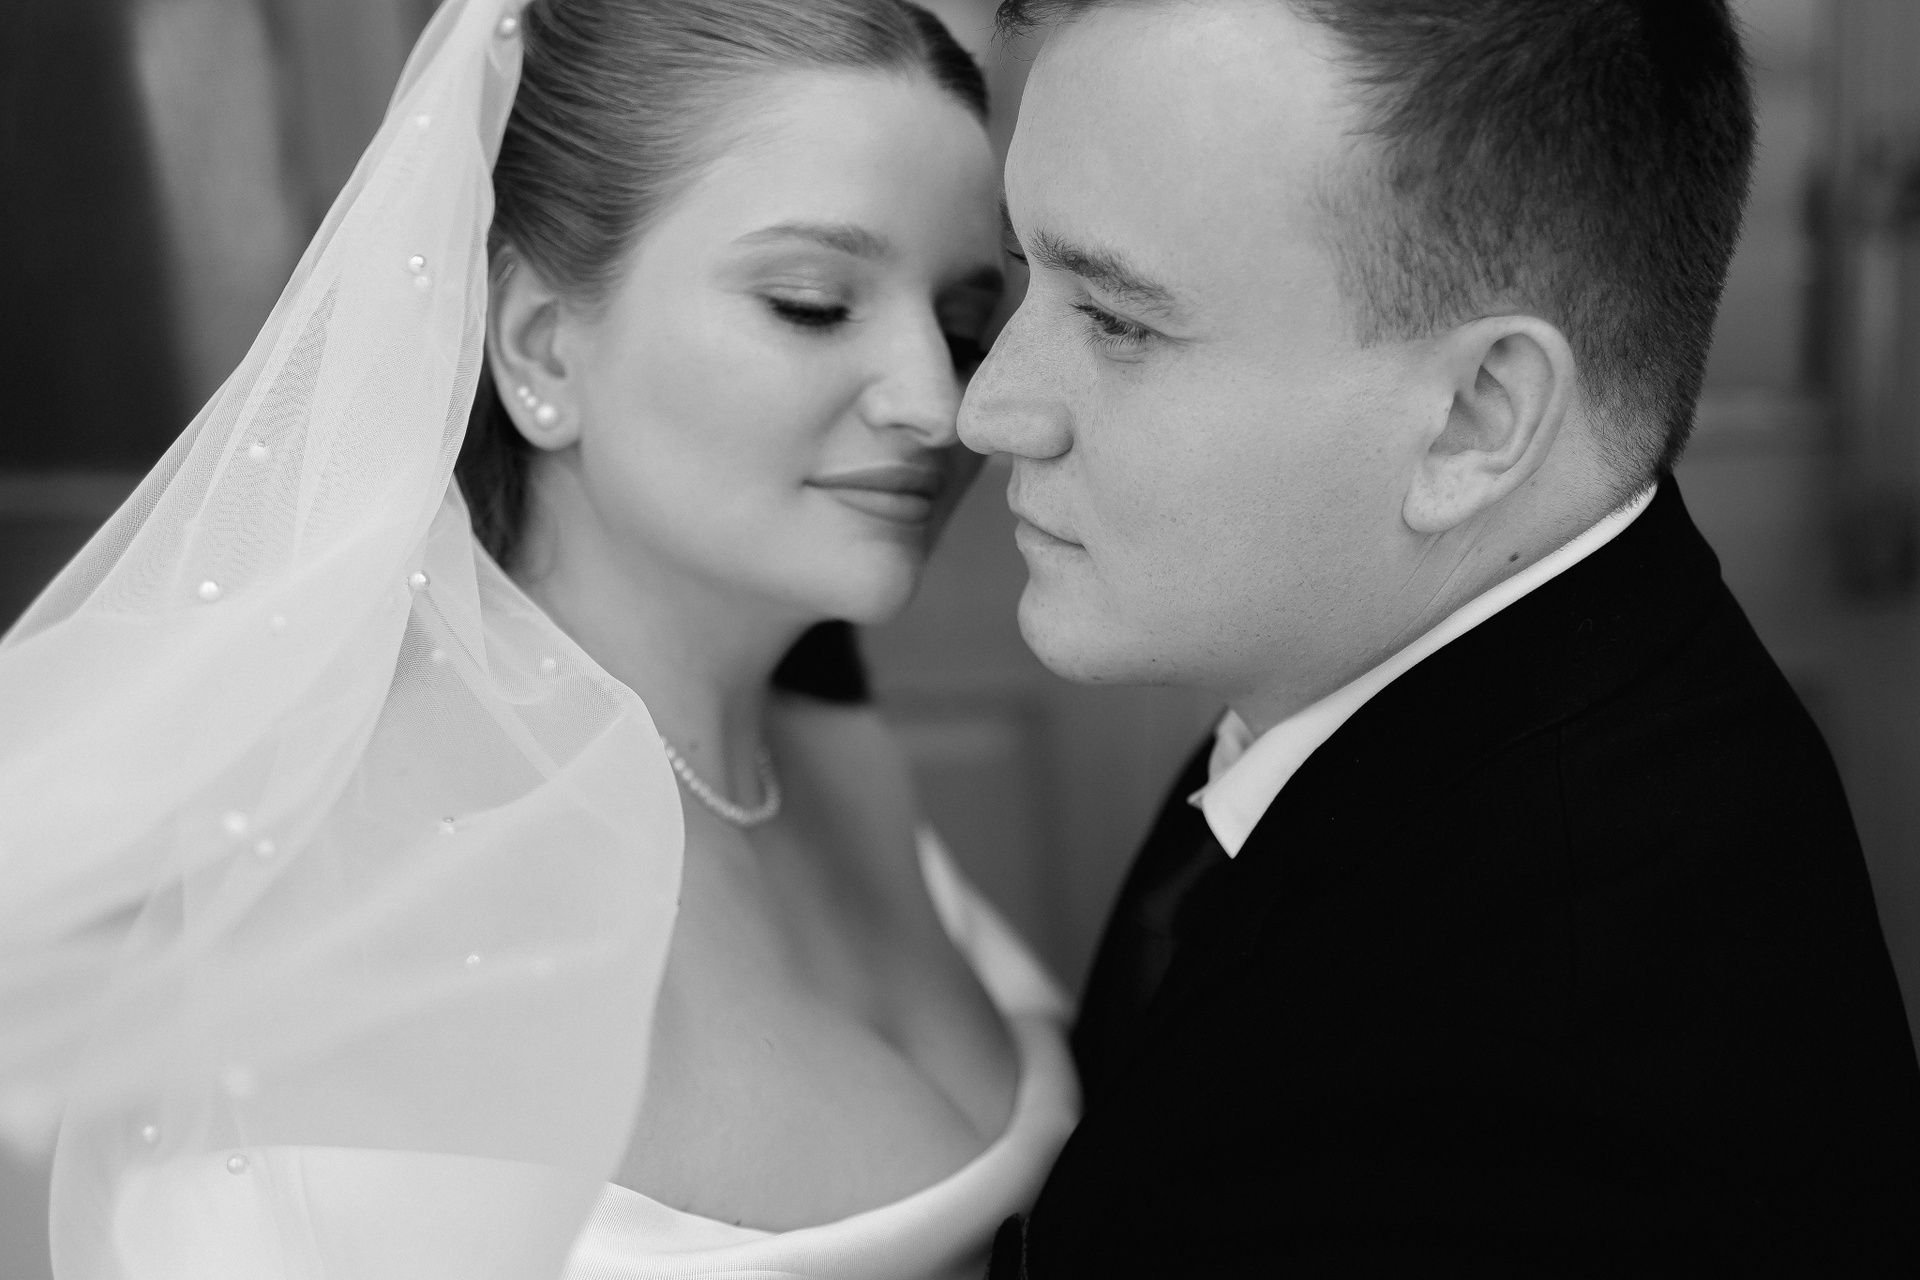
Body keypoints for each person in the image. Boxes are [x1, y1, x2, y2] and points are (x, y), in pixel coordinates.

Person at [0, 2, 1075, 1277]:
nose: (941, 404)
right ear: (539, 345)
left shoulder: (829, 746)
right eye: (812, 303)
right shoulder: (372, 903)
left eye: (964, 323)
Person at [960, 0, 1920, 1273]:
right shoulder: (1446, 662)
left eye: (1119, 320)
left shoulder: (1487, 1128)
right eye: (1023, 273)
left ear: (1475, 417)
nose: (989, 408)